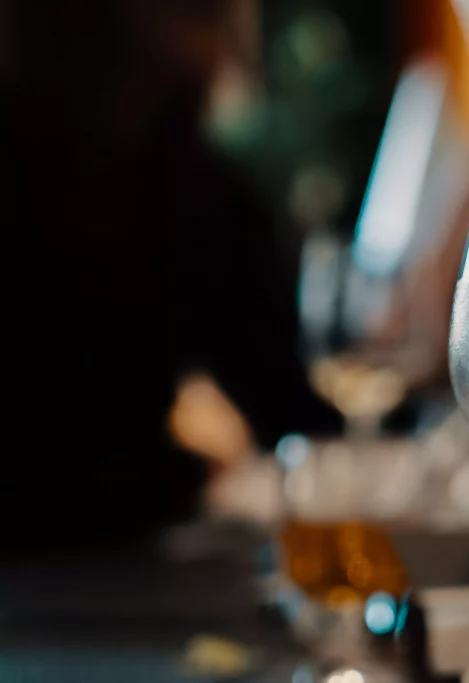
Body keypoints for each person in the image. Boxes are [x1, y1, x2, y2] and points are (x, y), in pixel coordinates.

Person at [0, 0, 340, 554]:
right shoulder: (186, 185)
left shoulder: (198, 184)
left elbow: (282, 400)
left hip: (122, 560)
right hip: (70, 568)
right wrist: (179, 474)